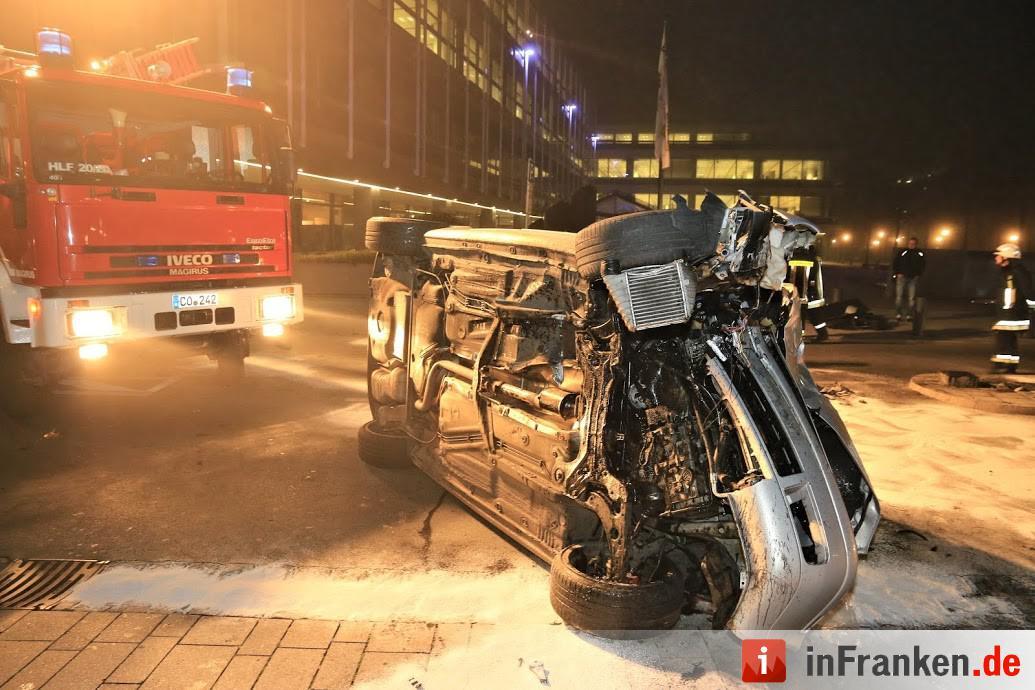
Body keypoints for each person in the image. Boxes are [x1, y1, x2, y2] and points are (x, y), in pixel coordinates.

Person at [990, 243, 1032, 373]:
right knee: (1004, 339)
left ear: (1006, 257)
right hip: (1006, 314)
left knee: (1007, 340)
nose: (996, 258)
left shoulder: (1017, 272)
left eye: (998, 256)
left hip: (1013, 314)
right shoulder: (1007, 272)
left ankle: (1007, 366)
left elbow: (1028, 292)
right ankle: (1003, 364)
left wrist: (1029, 310)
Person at [787, 245, 829, 342]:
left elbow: (793, 278)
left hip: (801, 295)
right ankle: (823, 334)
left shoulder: (793, 259)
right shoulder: (814, 259)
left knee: (799, 316)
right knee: (816, 316)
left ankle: (798, 337)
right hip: (813, 295)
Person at [892, 237, 926, 321]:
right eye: (910, 243)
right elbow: (896, 262)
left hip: (913, 278)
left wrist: (918, 274)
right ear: (908, 243)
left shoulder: (920, 253)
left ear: (916, 244)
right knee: (899, 297)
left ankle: (909, 315)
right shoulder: (903, 252)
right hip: (902, 277)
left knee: (911, 298)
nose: (911, 245)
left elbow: (922, 264)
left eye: (913, 244)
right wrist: (898, 273)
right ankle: (898, 314)